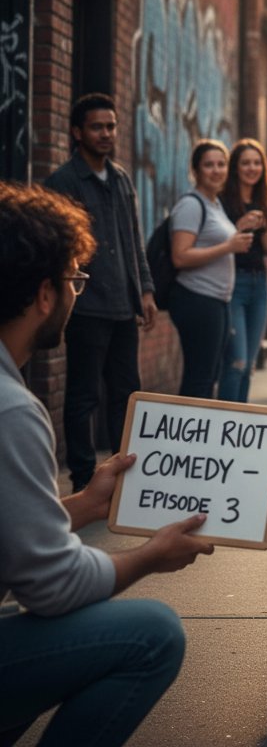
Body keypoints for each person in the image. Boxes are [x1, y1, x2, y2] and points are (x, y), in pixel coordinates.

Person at [0, 182, 213, 747]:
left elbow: (14, 533)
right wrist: (149, 557)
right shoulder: (11, 409)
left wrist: (82, 506)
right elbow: (54, 586)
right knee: (155, 632)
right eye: (75, 279)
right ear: (45, 294)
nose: (78, 293)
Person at [43, 92, 157, 492]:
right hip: (87, 307)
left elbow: (133, 240)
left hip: (124, 306)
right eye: (97, 127)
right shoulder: (63, 182)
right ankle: (82, 480)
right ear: (78, 132)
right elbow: (55, 248)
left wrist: (144, 289)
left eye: (110, 126)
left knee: (126, 397)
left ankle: (123, 481)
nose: (106, 133)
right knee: (83, 396)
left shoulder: (123, 179)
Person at [168, 140, 257, 398]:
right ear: (195, 170)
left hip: (217, 301)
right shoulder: (191, 205)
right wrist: (229, 246)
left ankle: (200, 436)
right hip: (197, 299)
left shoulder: (214, 204)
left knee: (209, 377)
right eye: (209, 165)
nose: (216, 170)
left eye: (221, 164)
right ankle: (189, 436)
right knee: (200, 378)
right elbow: (180, 257)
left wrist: (239, 230)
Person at [219, 138, 267, 402]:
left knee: (249, 364)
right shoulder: (222, 201)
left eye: (256, 163)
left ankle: (238, 427)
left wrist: (263, 224)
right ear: (235, 167)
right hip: (233, 284)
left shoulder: (266, 202)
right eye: (245, 163)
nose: (252, 168)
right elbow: (216, 243)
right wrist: (241, 225)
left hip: (258, 286)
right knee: (237, 361)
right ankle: (224, 423)